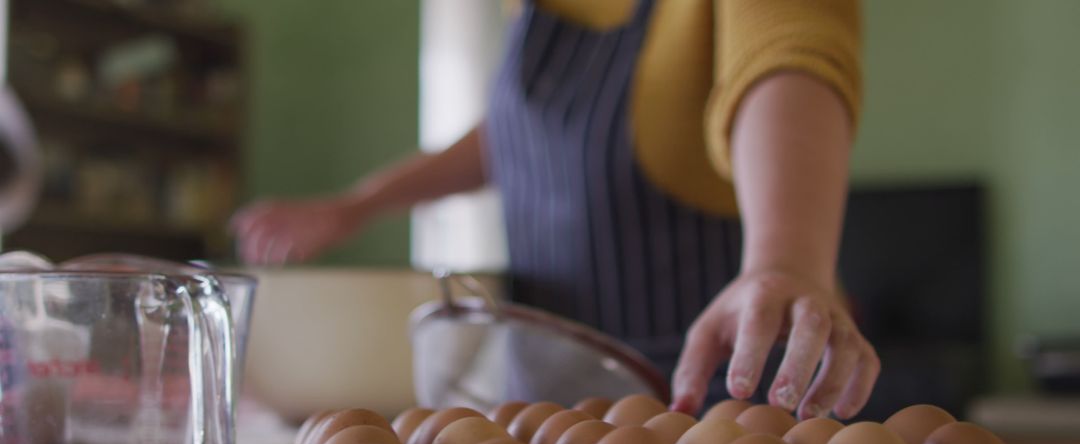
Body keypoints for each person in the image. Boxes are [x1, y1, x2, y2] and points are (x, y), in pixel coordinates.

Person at [231, 0, 880, 420]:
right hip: (550, 393)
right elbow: (517, 135)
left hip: (719, 397)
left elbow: (788, 57)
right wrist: (360, 204)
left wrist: (788, 259)